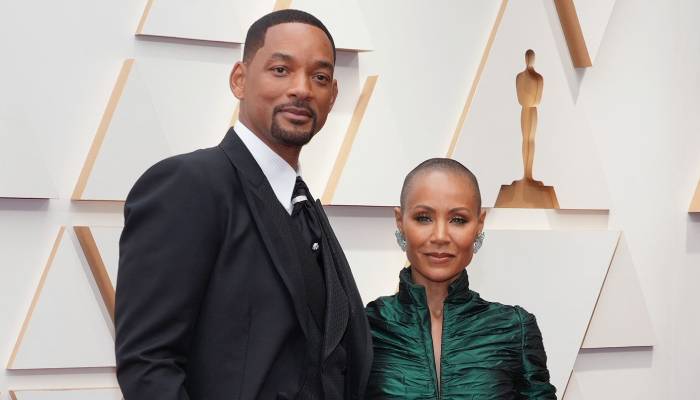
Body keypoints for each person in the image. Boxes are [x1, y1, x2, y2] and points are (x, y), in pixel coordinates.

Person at [115, 9, 372, 400]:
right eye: (281, 70)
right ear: (239, 79)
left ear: (333, 96)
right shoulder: (189, 184)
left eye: (319, 77)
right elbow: (148, 365)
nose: (302, 89)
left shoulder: (305, 206)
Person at [365, 158, 556, 399]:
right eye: (424, 217)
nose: (440, 236)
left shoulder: (514, 328)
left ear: (479, 224)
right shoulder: (364, 328)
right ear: (400, 222)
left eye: (458, 220)